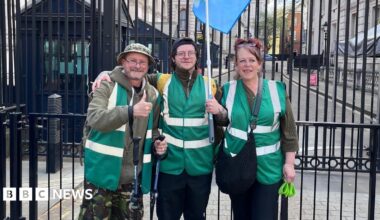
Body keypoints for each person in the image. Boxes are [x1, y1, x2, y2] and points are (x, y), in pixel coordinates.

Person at [92, 37, 222, 220]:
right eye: (181, 53)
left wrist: (220, 111)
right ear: (173, 58)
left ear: (197, 57)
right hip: (169, 165)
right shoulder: (161, 81)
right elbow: (130, 74)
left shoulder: (212, 85)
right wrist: (105, 73)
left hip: (201, 166)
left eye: (190, 53)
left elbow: (226, 119)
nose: (186, 56)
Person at [205, 38, 299, 220]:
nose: (247, 65)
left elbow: (289, 131)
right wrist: (219, 112)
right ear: (236, 65)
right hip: (237, 165)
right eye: (242, 61)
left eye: (251, 60)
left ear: (259, 64)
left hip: (269, 167)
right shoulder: (227, 89)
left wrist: (289, 163)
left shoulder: (277, 90)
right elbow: (224, 121)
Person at [78, 43, 167, 220]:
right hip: (100, 174)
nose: (137, 65)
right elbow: (94, 117)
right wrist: (130, 110)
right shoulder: (107, 85)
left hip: (132, 178)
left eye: (142, 62)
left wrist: (158, 143)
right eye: (132, 60)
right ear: (123, 62)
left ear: (148, 66)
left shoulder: (154, 95)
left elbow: (154, 129)